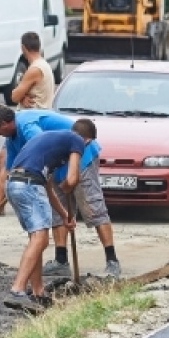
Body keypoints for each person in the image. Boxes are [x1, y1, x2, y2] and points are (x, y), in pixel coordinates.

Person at [0, 126, 86, 311]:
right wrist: (70, 184)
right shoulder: (77, 140)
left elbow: (47, 188)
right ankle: (17, 290)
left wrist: (64, 216)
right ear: (88, 140)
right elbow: (71, 179)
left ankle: (38, 293)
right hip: (29, 184)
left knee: (35, 239)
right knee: (41, 239)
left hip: (14, 184)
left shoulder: (50, 145)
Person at [42, 118, 121, 282]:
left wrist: (71, 182)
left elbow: (74, 176)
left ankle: (112, 259)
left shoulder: (86, 147)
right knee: (58, 211)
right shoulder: (53, 141)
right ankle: (61, 260)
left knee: (94, 207)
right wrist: (60, 181)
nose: (88, 143)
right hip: (56, 170)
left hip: (83, 166)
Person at [0, 104, 74, 223]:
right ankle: (60, 242)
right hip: (55, 161)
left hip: (77, 154)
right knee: (57, 213)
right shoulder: (11, 138)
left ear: (4, 123)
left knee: (92, 209)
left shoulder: (26, 125)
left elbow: (43, 147)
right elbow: (8, 170)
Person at [10, 31, 55, 109]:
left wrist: (20, 97)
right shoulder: (44, 65)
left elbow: (14, 97)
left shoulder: (35, 69)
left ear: (23, 48)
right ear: (39, 47)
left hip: (32, 116)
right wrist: (23, 98)